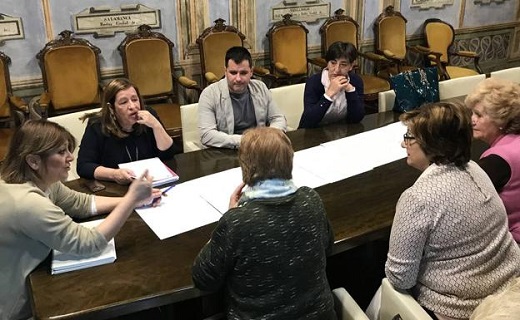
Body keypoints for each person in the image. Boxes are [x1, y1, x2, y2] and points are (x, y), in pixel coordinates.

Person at [0, 120, 160, 320]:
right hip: (23, 306)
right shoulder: (28, 204)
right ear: (33, 161)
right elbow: (89, 243)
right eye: (61, 152)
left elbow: (80, 203)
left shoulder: (37, 180)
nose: (70, 157)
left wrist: (135, 201)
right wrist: (130, 200)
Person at [385, 102, 520, 320]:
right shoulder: (475, 168)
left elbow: (400, 278)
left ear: (431, 144)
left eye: (409, 137)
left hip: (460, 307)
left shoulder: (417, 198)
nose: (403, 144)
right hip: (507, 288)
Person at [192, 127, 336, 319]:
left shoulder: (237, 222)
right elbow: (328, 248)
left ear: (246, 168)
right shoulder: (312, 199)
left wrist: (228, 217)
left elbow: (203, 278)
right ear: (290, 162)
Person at [77, 78, 177, 184]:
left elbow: (168, 154)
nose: (132, 106)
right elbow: (84, 166)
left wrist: (156, 126)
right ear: (111, 108)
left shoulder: (149, 115)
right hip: (114, 188)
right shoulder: (97, 125)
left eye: (135, 99)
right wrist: (114, 174)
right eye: (124, 102)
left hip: (150, 184)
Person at [464, 77, 520, 243]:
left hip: (510, 244)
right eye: (472, 113)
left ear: (501, 119)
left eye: (479, 115)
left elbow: (465, 202)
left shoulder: (497, 160)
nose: (472, 120)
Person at [197, 46, 287, 149]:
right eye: (233, 73)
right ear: (225, 71)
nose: (238, 78)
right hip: (225, 151)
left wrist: (269, 136)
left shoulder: (260, 87)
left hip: (259, 149)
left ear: (251, 72)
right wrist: (245, 140)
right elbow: (207, 135)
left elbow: (278, 118)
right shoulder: (209, 94)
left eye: (243, 73)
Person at [298, 41, 365, 128]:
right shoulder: (314, 82)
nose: (336, 70)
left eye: (343, 65)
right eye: (333, 63)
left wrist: (350, 91)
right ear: (327, 63)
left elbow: (356, 119)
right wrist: (329, 94)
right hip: (314, 133)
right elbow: (308, 122)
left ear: (351, 66)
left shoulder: (356, 81)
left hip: (341, 131)